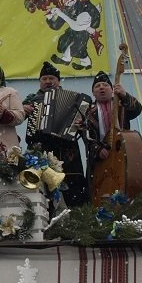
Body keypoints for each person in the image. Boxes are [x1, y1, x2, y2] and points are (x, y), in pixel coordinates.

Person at [23, 62, 89, 207]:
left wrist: (81, 125)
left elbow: (84, 124)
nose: (48, 81)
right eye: (44, 79)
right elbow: (19, 116)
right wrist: (24, 109)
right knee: (43, 191)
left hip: (67, 150)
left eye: (51, 78)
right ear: (40, 82)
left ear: (58, 81)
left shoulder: (75, 100)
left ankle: (77, 214)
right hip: (42, 148)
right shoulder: (32, 99)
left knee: (73, 190)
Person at [84, 71, 142, 162]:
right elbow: (86, 136)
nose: (101, 87)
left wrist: (125, 95)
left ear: (112, 90)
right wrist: (97, 149)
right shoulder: (88, 112)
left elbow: (137, 110)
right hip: (100, 160)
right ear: (93, 93)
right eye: (97, 86)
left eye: (105, 85)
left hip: (122, 152)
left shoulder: (122, 105)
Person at [47, 0, 102, 71]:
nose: (69, 0)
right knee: (64, 42)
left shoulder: (84, 3)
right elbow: (56, 26)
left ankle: (66, 60)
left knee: (76, 45)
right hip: (73, 30)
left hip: (85, 30)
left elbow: (95, 14)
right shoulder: (65, 9)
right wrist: (50, 19)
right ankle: (86, 63)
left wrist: (92, 27)